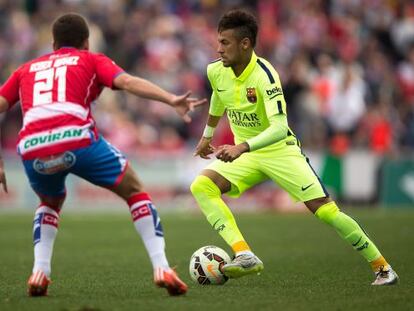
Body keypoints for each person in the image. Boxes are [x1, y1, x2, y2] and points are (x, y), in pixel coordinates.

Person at [0, 13, 206, 297]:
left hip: (33, 147)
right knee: (134, 190)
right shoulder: (91, 59)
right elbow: (130, 82)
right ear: (86, 42)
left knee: (49, 202)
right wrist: (171, 99)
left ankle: (40, 271)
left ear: (53, 43)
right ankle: (162, 266)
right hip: (76, 138)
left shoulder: (26, 68)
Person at [190, 9, 398, 286]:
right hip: (248, 154)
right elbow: (219, 95)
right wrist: (208, 135)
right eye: (218, 41)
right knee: (202, 186)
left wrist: (242, 146)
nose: (218, 48)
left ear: (245, 44)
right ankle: (244, 253)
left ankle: (383, 268)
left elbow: (278, 128)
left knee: (326, 211)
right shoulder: (216, 70)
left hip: (279, 150)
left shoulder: (265, 76)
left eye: (225, 43)